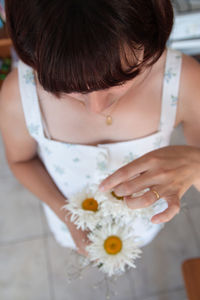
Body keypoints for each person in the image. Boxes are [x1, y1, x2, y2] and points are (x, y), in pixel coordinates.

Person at [1, 0, 200, 257]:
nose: (97, 108)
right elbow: (20, 160)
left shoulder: (185, 81)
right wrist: (67, 215)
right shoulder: (19, 94)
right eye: (67, 87)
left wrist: (196, 165)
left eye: (123, 76)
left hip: (143, 225)